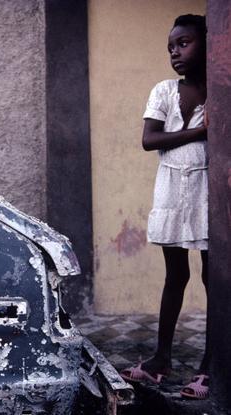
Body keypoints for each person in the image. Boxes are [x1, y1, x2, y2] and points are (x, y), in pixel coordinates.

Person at [120, 14, 210, 399]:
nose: (175, 52)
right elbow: (149, 139)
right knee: (175, 276)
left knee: (215, 279)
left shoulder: (221, 92)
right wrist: (200, 131)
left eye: (184, 43)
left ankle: (211, 367)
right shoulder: (163, 90)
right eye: (171, 46)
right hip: (172, 187)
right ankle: (161, 359)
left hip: (209, 189)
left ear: (209, 43)